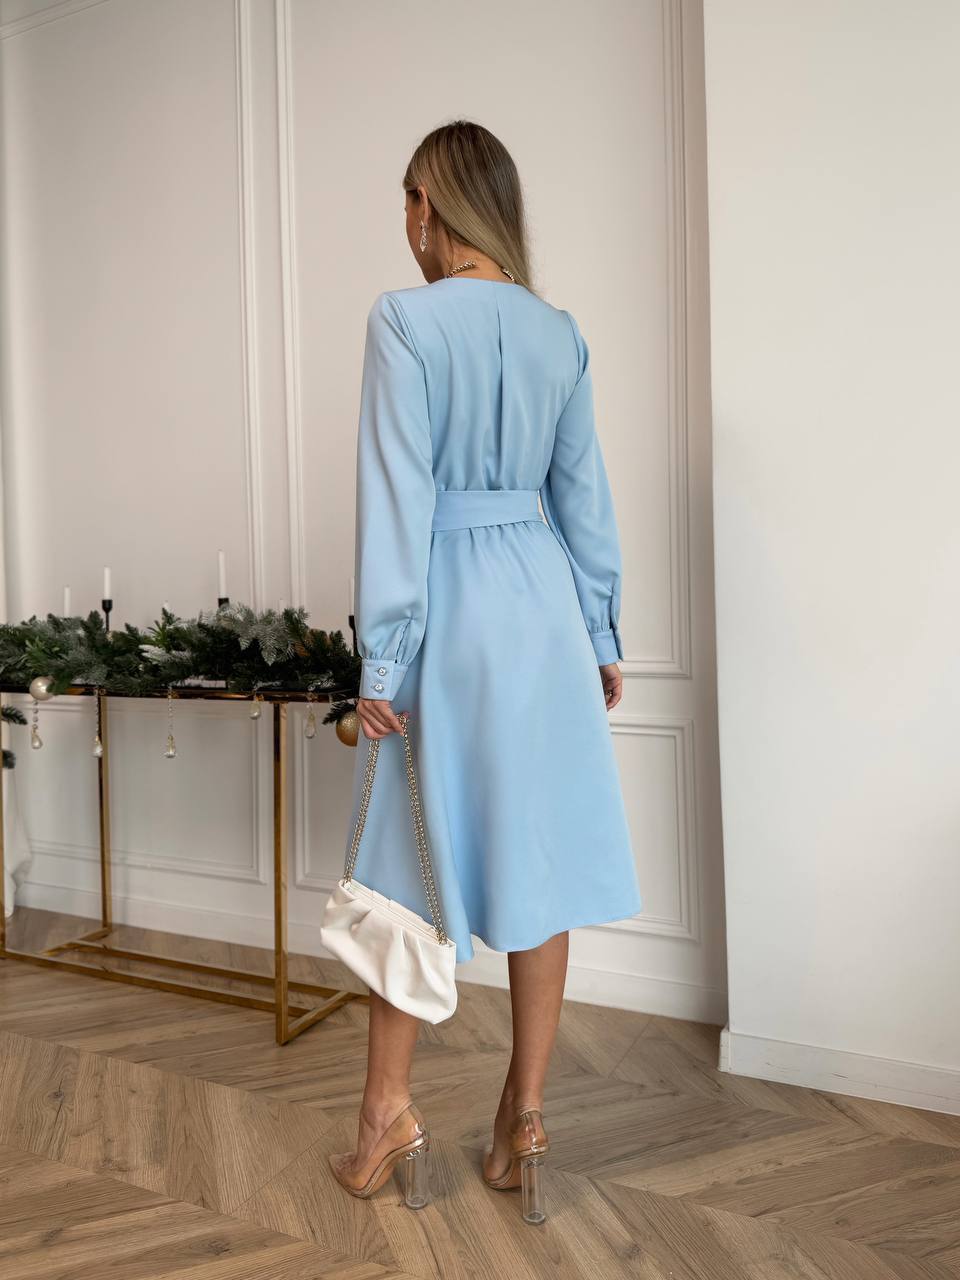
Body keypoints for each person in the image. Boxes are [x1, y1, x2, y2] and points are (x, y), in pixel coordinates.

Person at [328, 120, 643, 1223]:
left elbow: (398, 497)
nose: (404, 229)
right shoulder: (560, 334)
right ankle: (524, 1118)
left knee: (404, 860)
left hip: (451, 607)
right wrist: (601, 631)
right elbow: (584, 498)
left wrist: (386, 656)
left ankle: (385, 1116)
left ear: (432, 202)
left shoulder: (405, 322)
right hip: (545, 610)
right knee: (538, 855)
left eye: (406, 204)